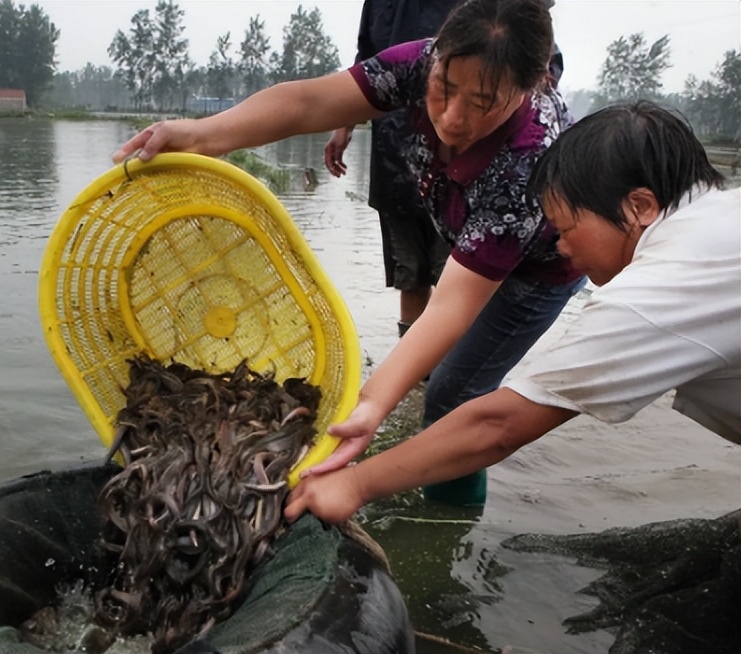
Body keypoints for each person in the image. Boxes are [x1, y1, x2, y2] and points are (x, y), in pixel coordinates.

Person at [113, 0, 584, 506]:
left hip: (541, 270)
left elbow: (452, 305)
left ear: (529, 86)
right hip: (467, 230)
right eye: (445, 88)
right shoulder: (418, 64)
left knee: (452, 395)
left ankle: (449, 525)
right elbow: (308, 103)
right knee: (435, 372)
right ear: (438, 57)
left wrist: (371, 404)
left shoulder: (528, 160)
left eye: (483, 102)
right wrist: (200, 135)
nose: (451, 116)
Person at [284, 100, 739, 524]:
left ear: (639, 206)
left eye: (565, 227)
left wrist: (357, 483)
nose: (560, 246)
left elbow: (499, 424)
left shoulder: (667, 282)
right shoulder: (719, 220)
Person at [324, 0, 462, 338]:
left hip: (460, 158)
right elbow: (367, 63)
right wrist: (345, 121)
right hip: (395, 154)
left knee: (457, 276)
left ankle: (449, 378)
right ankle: (413, 378)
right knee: (410, 275)